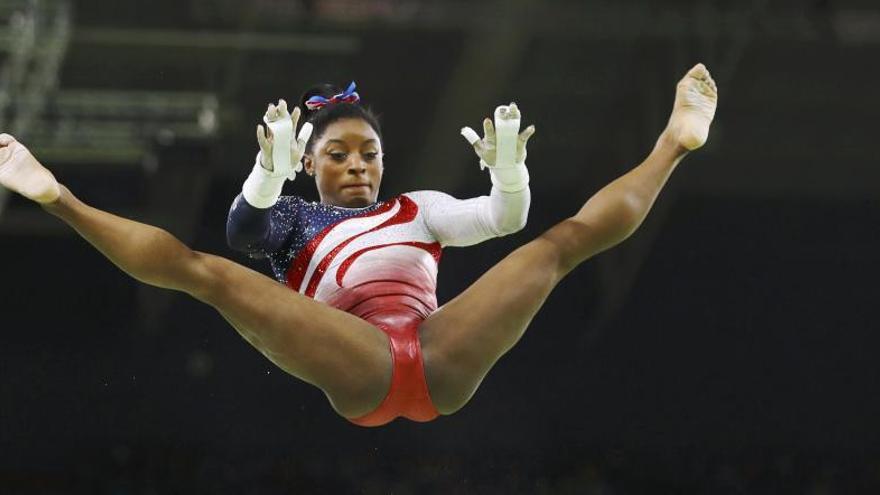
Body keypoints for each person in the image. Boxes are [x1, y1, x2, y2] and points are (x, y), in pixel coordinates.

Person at [0, 64, 718, 427]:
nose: (356, 166)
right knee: (205, 273)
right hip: (360, 363)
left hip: (438, 351)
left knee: (561, 245)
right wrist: (267, 170)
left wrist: (508, 170)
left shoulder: (420, 208)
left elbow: (502, 219)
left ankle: (672, 145)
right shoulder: (291, 221)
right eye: (338, 154)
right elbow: (239, 234)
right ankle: (58, 197)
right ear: (311, 165)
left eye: (368, 153)